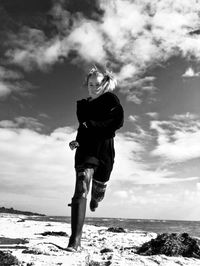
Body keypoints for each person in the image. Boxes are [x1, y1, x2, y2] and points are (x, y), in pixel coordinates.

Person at [66, 66, 124, 252]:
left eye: (97, 84)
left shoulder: (110, 100)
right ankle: (75, 242)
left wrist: (92, 124)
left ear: (104, 84)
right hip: (86, 149)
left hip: (105, 150)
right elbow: (83, 129)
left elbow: (117, 122)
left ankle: (95, 201)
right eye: (90, 84)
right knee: (81, 185)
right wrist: (76, 141)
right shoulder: (83, 106)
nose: (93, 87)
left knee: (98, 192)